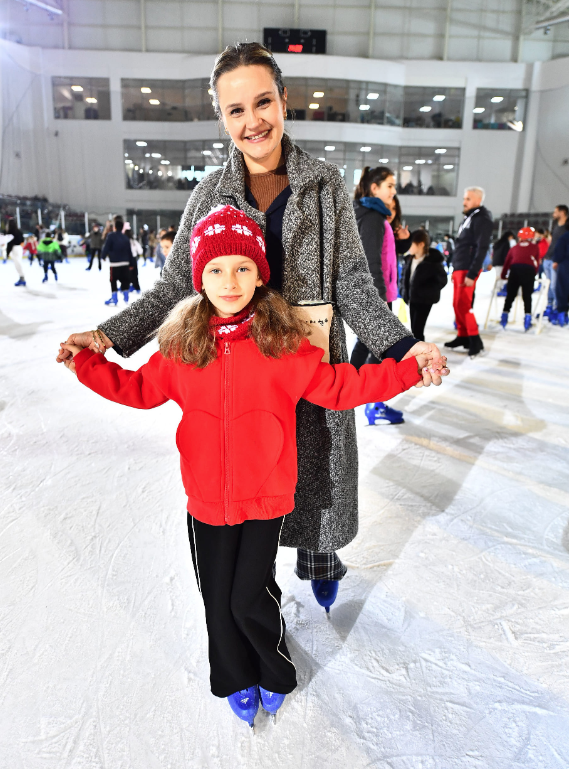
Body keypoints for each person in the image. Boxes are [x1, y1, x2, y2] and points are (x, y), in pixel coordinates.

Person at [57, 41, 448, 612]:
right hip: (236, 369)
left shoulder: (326, 187)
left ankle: (320, 558)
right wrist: (109, 336)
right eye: (235, 110)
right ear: (222, 117)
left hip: (308, 367)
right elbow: (173, 288)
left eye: (262, 102)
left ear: (284, 101)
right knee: (249, 499)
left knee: (317, 493)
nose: (252, 121)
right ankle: (254, 609)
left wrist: (406, 347)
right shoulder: (209, 193)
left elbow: (355, 288)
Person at [60, 205, 430, 726]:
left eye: (241, 268)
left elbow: (343, 387)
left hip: (265, 499)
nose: (228, 281)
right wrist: (88, 362)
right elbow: (140, 390)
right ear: (199, 277)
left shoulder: (284, 345)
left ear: (259, 274)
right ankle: (234, 677)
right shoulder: (183, 347)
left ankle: (274, 672)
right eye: (215, 270)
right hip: (207, 502)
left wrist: (407, 369)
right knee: (217, 600)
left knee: (247, 597)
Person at [351, 166, 405, 426]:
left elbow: (386, 256)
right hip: (378, 293)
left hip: (381, 291)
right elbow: (371, 259)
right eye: (390, 186)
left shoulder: (375, 216)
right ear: (375, 188)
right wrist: (379, 297)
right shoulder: (372, 217)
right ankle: (375, 402)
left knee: (367, 343)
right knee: (383, 349)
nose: (394, 191)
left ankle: (349, 387)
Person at [444, 186, 493, 358]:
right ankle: (463, 336)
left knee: (464, 305)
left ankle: (475, 340)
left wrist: (472, 273)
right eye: (464, 199)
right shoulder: (469, 218)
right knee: (457, 304)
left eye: (468, 199)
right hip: (460, 267)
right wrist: (455, 268)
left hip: (468, 269)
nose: (464, 202)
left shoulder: (482, 219)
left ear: (478, 201)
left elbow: (482, 247)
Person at [402, 230, 448, 341]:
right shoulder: (409, 259)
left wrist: (427, 292)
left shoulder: (432, 261)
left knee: (418, 329)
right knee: (413, 328)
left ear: (421, 244)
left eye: (411, 244)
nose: (409, 247)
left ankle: (420, 353)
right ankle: (418, 351)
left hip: (424, 300)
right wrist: (403, 291)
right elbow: (404, 277)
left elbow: (442, 280)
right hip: (411, 298)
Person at [499, 227, 540, 332]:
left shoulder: (514, 248)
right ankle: (527, 319)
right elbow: (536, 263)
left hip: (515, 270)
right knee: (527, 296)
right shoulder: (535, 248)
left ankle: (504, 317)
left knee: (510, 295)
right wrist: (534, 274)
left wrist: (503, 275)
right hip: (529, 271)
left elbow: (507, 262)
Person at [542, 205, 568, 319]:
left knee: (556, 286)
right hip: (548, 258)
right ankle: (549, 306)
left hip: (558, 260)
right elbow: (553, 242)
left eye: (555, 212)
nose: (553, 214)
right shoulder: (556, 225)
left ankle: (560, 308)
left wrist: (558, 259)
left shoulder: (567, 227)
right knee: (549, 286)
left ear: (562, 212)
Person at [101, 217, 132, 306]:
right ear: (122, 228)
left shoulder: (111, 236)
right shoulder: (126, 238)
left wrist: (103, 256)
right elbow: (129, 251)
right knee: (124, 279)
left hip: (115, 263)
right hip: (125, 263)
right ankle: (126, 296)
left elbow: (106, 247)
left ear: (115, 227)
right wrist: (131, 263)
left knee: (113, 280)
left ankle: (114, 298)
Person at [553, 228, 569, 327]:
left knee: (562, 288)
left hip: (565, 265)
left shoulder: (565, 236)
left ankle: (562, 313)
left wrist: (556, 261)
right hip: (565, 264)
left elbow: (559, 248)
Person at [123, 222, 143, 294]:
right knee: (134, 274)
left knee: (127, 274)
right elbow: (140, 251)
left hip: (126, 260)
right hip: (134, 259)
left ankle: (127, 287)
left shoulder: (124, 241)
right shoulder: (134, 241)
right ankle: (136, 287)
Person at [6, 219, 26, 287]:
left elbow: (10, 243)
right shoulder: (19, 231)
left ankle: (22, 278)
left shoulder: (11, 231)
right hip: (19, 248)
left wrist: (7, 252)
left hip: (15, 248)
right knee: (18, 262)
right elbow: (22, 240)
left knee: (17, 263)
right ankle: (22, 278)